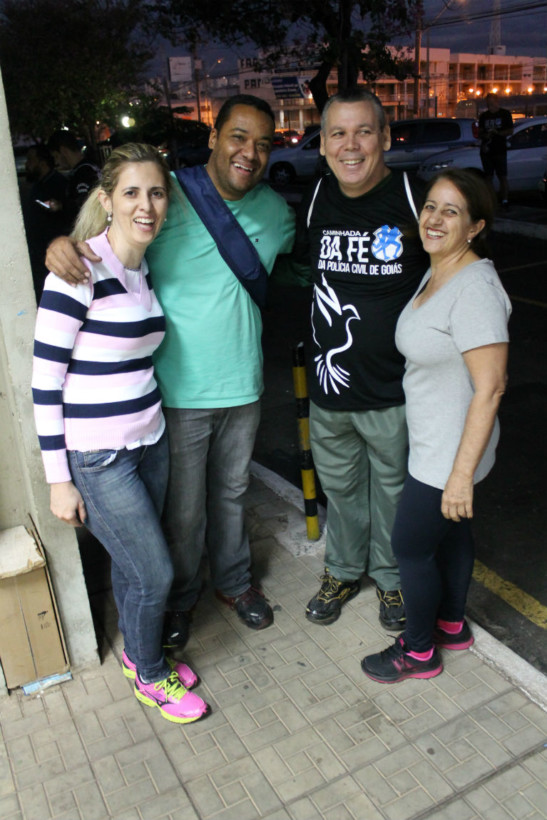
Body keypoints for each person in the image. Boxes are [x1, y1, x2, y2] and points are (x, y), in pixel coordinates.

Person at [44, 95, 295, 645]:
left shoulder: (277, 212)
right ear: (214, 137)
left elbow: (297, 271)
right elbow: (108, 238)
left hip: (243, 386)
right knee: (184, 512)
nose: (249, 153)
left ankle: (234, 582)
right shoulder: (167, 195)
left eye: (262, 144)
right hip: (175, 393)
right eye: (238, 137)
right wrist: (62, 245)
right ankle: (181, 598)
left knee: (232, 494)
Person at [33, 143, 209, 723]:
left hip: (149, 441)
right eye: (132, 192)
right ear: (107, 199)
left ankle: (139, 653)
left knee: (136, 566)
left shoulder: (142, 268)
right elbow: (45, 382)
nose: (146, 205)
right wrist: (59, 481)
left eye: (156, 193)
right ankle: (151, 675)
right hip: (98, 456)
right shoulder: (79, 269)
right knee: (155, 571)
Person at [361, 168, 511, 684]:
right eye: (430, 206)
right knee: (452, 534)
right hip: (438, 440)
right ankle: (451, 624)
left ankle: (419, 650)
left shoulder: (475, 289)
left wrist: (460, 476)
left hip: (449, 453)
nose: (435, 218)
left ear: (475, 226)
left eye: (452, 211)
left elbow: (491, 387)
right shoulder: (441, 269)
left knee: (410, 546)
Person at [290, 88, 428, 630]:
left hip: (394, 391)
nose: (351, 145)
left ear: (386, 138)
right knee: (342, 491)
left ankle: (392, 581)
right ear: (324, 144)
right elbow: (302, 273)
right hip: (330, 393)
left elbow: (461, 269)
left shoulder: (415, 197)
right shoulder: (317, 199)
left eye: (364, 131)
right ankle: (344, 570)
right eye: (338, 134)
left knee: (394, 494)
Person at [22, 144, 69, 299]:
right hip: (39, 256)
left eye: (30, 160)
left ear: (42, 163)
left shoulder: (59, 184)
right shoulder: (37, 186)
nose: (27, 165)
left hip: (57, 255)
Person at [47, 129, 100, 226]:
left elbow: (83, 204)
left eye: (56, 156)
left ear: (63, 151)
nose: (56, 162)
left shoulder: (83, 173)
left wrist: (61, 206)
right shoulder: (90, 167)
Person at [478, 93, 513, 209]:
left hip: (499, 150)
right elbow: (480, 133)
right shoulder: (484, 116)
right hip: (487, 151)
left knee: (502, 176)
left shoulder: (505, 114)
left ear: (497, 101)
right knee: (488, 177)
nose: (490, 105)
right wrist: (485, 135)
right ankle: (491, 201)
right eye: (488, 103)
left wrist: (497, 133)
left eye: (492, 102)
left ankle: (504, 200)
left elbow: (510, 130)